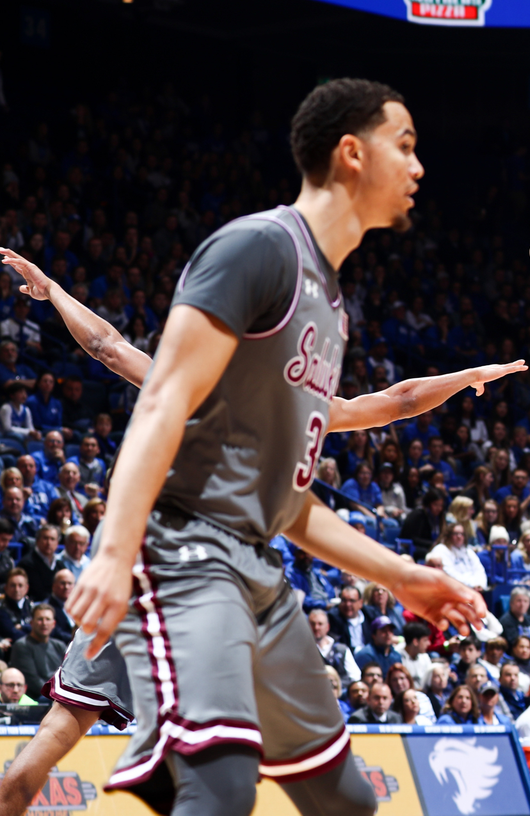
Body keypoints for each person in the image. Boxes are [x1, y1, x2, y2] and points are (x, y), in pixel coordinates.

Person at [60, 79, 492, 816]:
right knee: (222, 787)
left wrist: (401, 577)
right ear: (352, 153)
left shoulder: (329, 305)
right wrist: (112, 549)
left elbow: (286, 501)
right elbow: (161, 400)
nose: (420, 167)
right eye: (407, 145)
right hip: (184, 546)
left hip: (254, 561)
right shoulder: (258, 247)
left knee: (344, 800)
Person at [8, 603, 66, 700]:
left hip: (58, 695)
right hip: (36, 698)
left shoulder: (59, 646)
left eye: (48, 619)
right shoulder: (22, 646)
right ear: (31, 623)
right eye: (40, 619)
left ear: (54, 624)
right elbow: (33, 682)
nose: (44, 623)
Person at [310, 609, 359, 690]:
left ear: (327, 627)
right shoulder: (302, 651)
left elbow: (355, 676)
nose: (316, 627)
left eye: (320, 624)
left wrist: (337, 685)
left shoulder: (341, 649)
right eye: (313, 624)